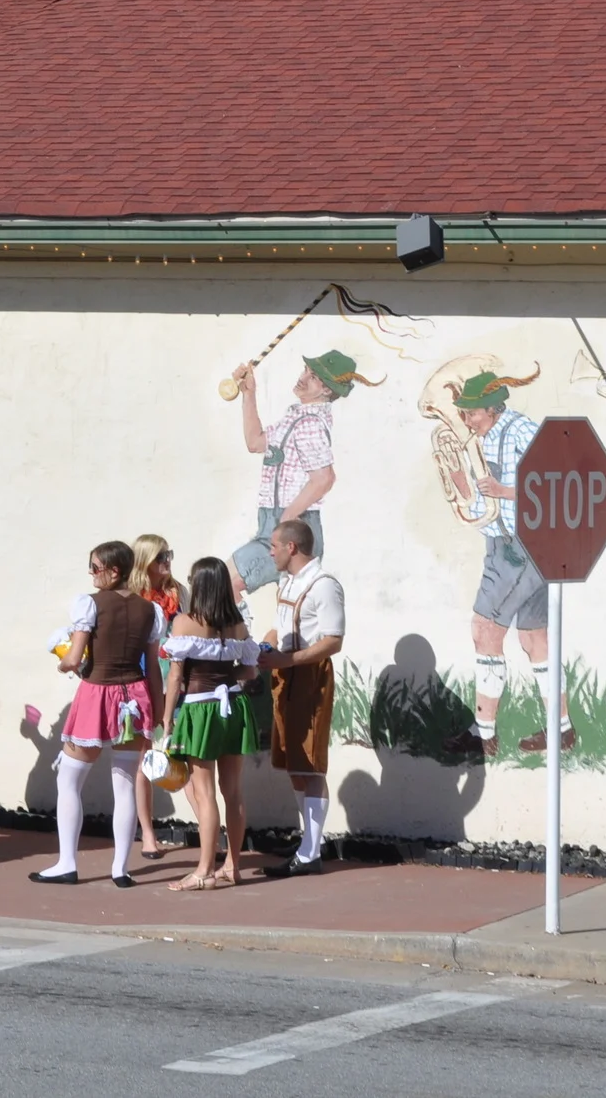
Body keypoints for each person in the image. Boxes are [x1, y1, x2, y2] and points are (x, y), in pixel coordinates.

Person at [33, 539, 171, 887]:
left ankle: (67, 863)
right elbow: (153, 667)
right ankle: (120, 869)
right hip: (135, 697)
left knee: (69, 779)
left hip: (97, 694)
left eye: (95, 568)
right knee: (124, 785)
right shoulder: (150, 610)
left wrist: (62, 660)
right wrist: (157, 711)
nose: (92, 574)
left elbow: (74, 658)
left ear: (113, 571)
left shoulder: (89, 604)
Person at [439, 369, 546, 759]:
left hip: (520, 545)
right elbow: (481, 503)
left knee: (485, 629)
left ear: (492, 408)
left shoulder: (521, 431)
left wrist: (504, 490)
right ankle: (562, 729)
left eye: (471, 413)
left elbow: (552, 484)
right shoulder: (485, 439)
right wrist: (458, 478)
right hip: (503, 542)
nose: (466, 421)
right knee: (535, 639)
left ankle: (484, 735)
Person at [229, 350, 378, 605]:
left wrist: (287, 517)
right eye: (306, 371)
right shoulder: (297, 417)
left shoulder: (310, 423)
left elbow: (324, 478)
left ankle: (240, 630)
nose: (303, 378)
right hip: (276, 524)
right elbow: (255, 442)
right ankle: (243, 630)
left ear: (327, 390)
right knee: (284, 606)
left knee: (222, 583)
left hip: (295, 526)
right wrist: (248, 393)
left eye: (314, 377)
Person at [160, 555, 268, 890]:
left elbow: (175, 678)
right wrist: (226, 676)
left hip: (200, 708)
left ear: (199, 585)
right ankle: (232, 866)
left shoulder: (185, 623)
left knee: (204, 793)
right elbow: (250, 671)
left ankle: (204, 871)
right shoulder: (238, 625)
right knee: (233, 792)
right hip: (234, 706)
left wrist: (167, 719)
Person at [256, 520, 344, 877]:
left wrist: (288, 660)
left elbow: (333, 641)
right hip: (285, 673)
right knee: (293, 763)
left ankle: (310, 854)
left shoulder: (324, 585)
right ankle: (309, 841)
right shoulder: (287, 581)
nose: (270, 552)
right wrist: (265, 646)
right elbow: (280, 627)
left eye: (274, 545)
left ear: (291, 547)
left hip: (309, 676)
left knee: (309, 763)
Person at [130, 532, 183, 858]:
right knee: (143, 759)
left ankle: (207, 830)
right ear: (144, 562)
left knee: (185, 754)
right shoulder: (134, 599)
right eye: (160, 557)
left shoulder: (179, 593)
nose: (167, 561)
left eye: (168, 554)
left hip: (177, 683)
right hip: (144, 681)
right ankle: (148, 835)